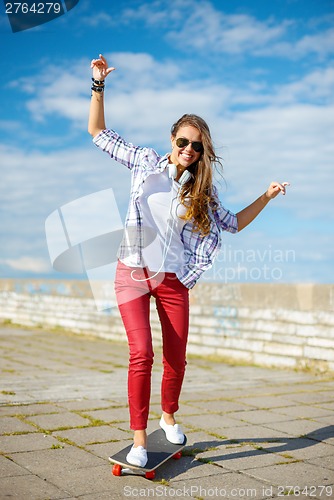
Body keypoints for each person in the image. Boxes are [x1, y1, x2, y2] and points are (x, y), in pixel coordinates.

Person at [88, 54, 289, 467]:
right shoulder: (144, 163)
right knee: (141, 353)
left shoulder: (202, 195)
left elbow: (233, 224)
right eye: (183, 142)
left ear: (202, 152)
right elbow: (98, 132)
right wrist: (98, 85)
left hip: (174, 279)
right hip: (132, 273)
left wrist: (266, 197)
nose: (189, 150)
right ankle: (139, 440)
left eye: (197, 146)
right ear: (171, 141)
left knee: (176, 357)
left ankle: (168, 416)